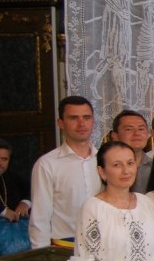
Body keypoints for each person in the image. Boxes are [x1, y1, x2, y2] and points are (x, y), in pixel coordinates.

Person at [30, 96, 101, 249]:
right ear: (60, 123)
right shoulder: (47, 164)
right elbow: (40, 217)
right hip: (65, 248)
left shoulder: (105, 159)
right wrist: (42, 256)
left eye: (86, 117)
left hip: (105, 246)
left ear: (93, 121)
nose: (81, 124)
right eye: (73, 118)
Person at [0, 137, 30, 254]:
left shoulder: (11, 176)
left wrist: (25, 203)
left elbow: (32, 190)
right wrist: (3, 211)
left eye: (4, 159)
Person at [110, 110, 153, 192]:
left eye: (141, 129)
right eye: (129, 129)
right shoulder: (107, 167)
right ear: (115, 136)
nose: (137, 133)